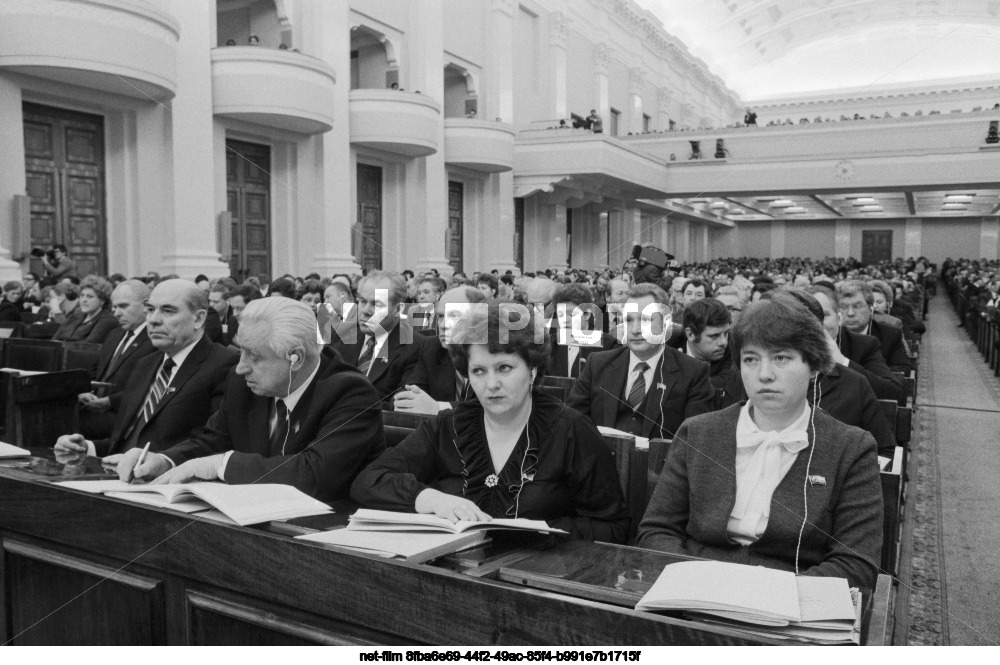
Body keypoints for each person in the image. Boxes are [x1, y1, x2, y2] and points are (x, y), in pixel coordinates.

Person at [637, 295, 883, 592]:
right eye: (751, 359)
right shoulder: (699, 432)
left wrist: (769, 594)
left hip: (793, 604)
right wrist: (695, 582)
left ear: (814, 366)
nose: (764, 375)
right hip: (694, 590)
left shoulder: (850, 448)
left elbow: (855, 562)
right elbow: (656, 530)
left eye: (781, 358)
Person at [351, 303, 629, 542]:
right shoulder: (449, 425)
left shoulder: (571, 430)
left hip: (537, 578)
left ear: (532, 369)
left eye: (504, 368)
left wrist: (540, 531)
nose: (491, 384)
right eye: (479, 371)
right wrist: (432, 500)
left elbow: (613, 527)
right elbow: (368, 481)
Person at [116, 298, 387, 501]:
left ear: (296, 358)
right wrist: (164, 460)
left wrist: (221, 464)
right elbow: (213, 441)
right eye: (241, 352)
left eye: (253, 356)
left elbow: (313, 475)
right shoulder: (243, 383)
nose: (240, 367)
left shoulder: (352, 394)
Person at [54, 279, 238, 458]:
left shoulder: (225, 365)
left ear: (198, 318)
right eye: (150, 309)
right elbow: (127, 439)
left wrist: (162, 461)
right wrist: (88, 448)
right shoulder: (146, 364)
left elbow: (215, 443)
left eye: (167, 311)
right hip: (117, 472)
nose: (153, 320)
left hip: (170, 480)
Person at [567, 284, 715, 440]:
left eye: (645, 320)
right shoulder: (597, 364)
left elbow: (696, 440)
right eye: (629, 320)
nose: (635, 329)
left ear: (665, 323)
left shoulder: (693, 372)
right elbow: (571, 424)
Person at [77, 280, 160, 440]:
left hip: (125, 415)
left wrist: (109, 401)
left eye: (123, 306)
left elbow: (152, 386)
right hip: (94, 408)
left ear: (145, 306)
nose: (116, 313)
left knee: (64, 424)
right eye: (114, 307)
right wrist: (84, 390)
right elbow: (95, 371)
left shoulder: (155, 339)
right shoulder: (115, 334)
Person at [331, 270, 420, 403]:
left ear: (398, 309)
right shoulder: (341, 335)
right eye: (362, 301)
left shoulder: (415, 347)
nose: (366, 311)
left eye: (377, 304)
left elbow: (400, 407)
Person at [393, 286, 486, 412]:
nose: (443, 325)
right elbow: (407, 394)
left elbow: (488, 407)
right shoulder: (432, 347)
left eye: (454, 316)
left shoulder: (493, 351)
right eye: (441, 316)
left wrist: (438, 408)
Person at [807, 285, 903, 403]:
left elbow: (893, 393)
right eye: (808, 317)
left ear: (839, 317)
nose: (815, 324)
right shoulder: (786, 348)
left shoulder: (864, 345)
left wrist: (842, 361)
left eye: (823, 315)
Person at [837, 280, 912, 375]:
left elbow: (903, 369)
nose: (850, 313)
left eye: (857, 306)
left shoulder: (890, 334)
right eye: (843, 307)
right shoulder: (832, 334)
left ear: (871, 308)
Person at [548, 283, 618, 378]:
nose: (565, 320)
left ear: (587, 315)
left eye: (571, 314)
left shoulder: (608, 346)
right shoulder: (551, 345)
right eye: (560, 315)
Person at [52, 275, 119, 344]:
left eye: (90, 297)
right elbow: (54, 341)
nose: (84, 300)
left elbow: (86, 347)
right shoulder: (76, 316)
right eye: (82, 295)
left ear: (102, 300)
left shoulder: (108, 320)